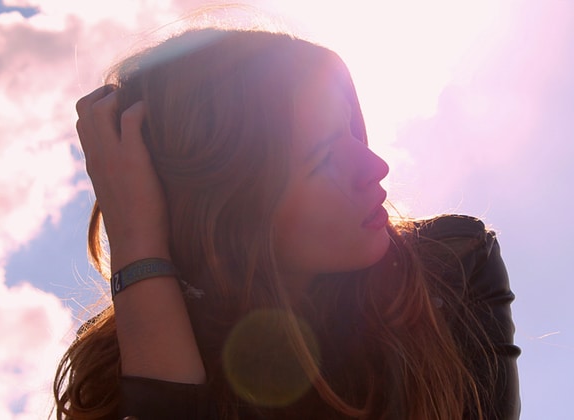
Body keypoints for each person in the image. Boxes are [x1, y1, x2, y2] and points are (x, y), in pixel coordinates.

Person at [54, 27, 520, 419]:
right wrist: (137, 244)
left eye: (351, 131)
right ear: (225, 214)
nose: (375, 167)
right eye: (321, 160)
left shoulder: (453, 267)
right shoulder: (119, 358)